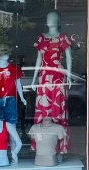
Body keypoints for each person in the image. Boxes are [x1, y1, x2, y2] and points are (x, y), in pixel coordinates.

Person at [29, 11, 72, 158]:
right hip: (44, 77)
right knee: (43, 109)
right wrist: (34, 79)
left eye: (53, 18)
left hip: (58, 76)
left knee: (58, 110)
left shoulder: (62, 37)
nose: (50, 20)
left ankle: (59, 150)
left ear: (58, 21)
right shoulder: (41, 37)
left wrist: (69, 76)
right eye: (48, 18)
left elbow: (69, 57)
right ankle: (42, 148)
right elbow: (38, 60)